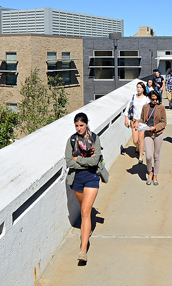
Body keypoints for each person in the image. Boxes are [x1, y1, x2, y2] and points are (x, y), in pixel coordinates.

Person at [65, 112, 103, 262]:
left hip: (92, 178)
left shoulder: (95, 138)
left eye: (81, 125)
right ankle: (87, 225)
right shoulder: (72, 140)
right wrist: (85, 161)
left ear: (86, 124)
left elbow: (95, 162)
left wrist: (79, 159)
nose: (79, 128)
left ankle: (83, 250)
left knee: (85, 212)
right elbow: (69, 162)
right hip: (76, 180)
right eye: (77, 126)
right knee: (84, 209)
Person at [141, 90, 166, 185]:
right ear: (150, 98)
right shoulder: (145, 107)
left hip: (158, 134)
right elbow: (142, 119)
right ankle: (150, 172)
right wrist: (136, 122)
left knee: (156, 156)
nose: (155, 101)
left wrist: (155, 128)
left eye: (156, 99)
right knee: (148, 156)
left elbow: (164, 122)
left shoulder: (161, 108)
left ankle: (155, 175)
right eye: (153, 99)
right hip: (147, 133)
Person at [124, 82, 150, 163]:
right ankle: (138, 147)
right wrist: (126, 118)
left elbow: (150, 109)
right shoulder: (133, 97)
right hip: (134, 120)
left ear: (143, 89)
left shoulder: (146, 98)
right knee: (135, 141)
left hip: (142, 121)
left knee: (141, 139)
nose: (138, 89)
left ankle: (140, 156)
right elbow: (127, 108)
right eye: (137, 87)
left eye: (140, 87)